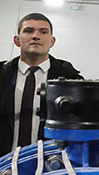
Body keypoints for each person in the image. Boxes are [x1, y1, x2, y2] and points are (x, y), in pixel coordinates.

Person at [1, 13, 83, 154]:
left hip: (52, 165)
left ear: (52, 41)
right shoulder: (2, 76)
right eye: (28, 31)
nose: (36, 36)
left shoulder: (72, 81)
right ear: (17, 40)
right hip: (4, 163)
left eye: (43, 32)